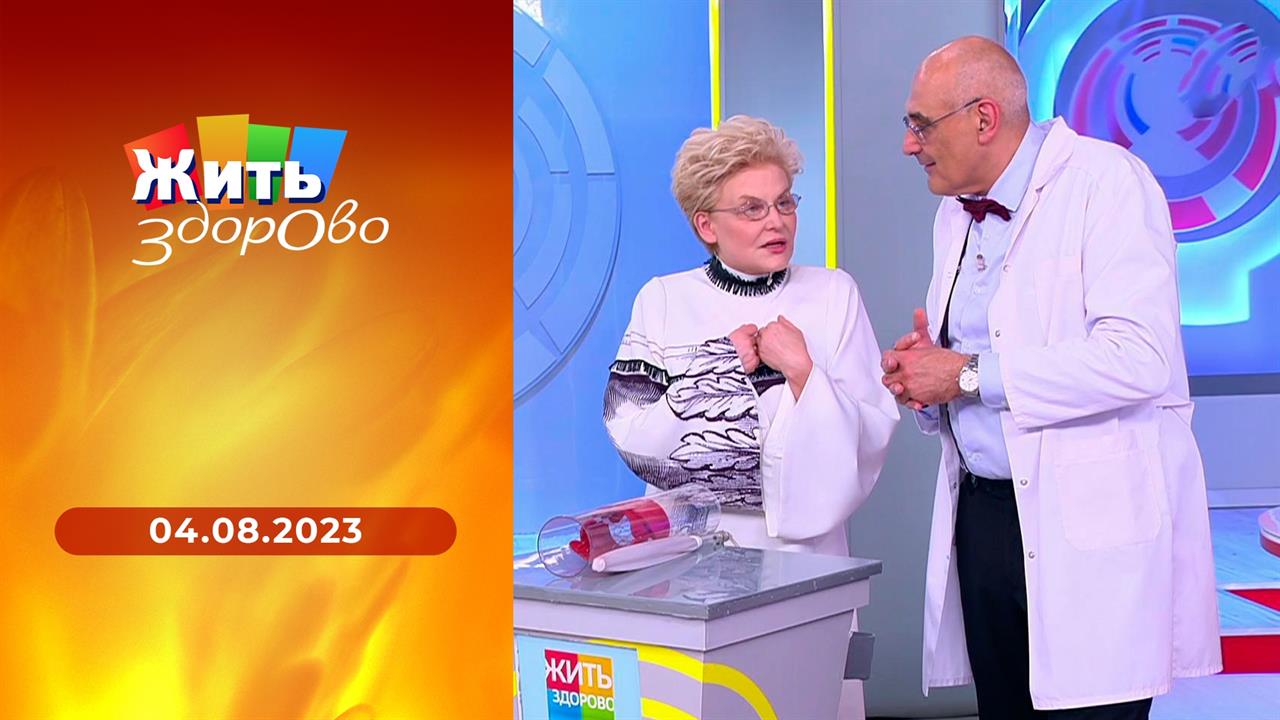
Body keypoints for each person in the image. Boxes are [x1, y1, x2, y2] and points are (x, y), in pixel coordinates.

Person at [881, 37, 1221, 718]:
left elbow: (1138, 358)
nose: (909, 145)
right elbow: (978, 361)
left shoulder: (1107, 183)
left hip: (1084, 523)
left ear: (984, 118)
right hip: (983, 518)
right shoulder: (954, 212)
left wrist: (966, 375)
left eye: (921, 125)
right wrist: (923, 377)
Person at [604, 114, 899, 557]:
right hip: (686, 553)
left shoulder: (834, 293)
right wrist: (719, 367)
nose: (776, 222)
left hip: (804, 556)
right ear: (706, 226)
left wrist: (802, 372)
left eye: (784, 203)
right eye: (752, 209)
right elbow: (632, 437)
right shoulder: (663, 298)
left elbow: (870, 436)